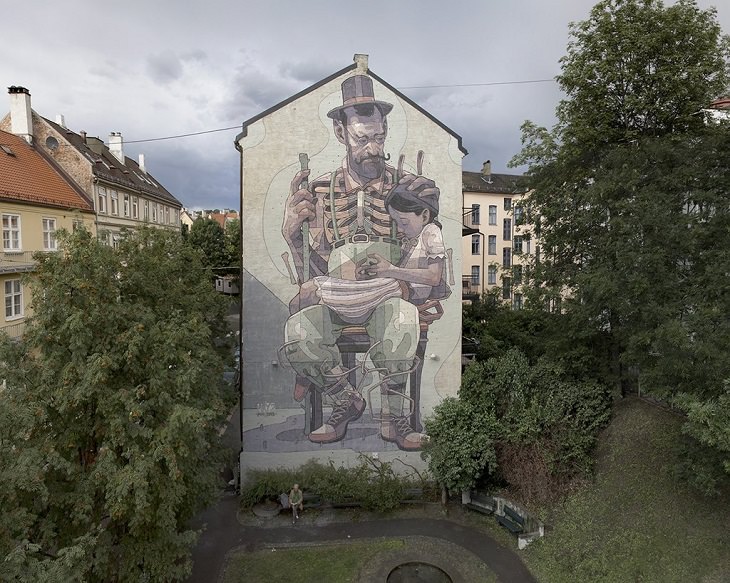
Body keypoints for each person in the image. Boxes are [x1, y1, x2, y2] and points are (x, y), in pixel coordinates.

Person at [281, 75, 440, 450]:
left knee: (402, 320)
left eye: (379, 138)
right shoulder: (320, 190)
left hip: (385, 298)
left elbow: (423, 248)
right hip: (337, 298)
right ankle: (345, 401)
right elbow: (315, 268)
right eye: (362, 139)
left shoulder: (405, 189)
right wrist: (292, 235)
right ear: (340, 132)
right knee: (298, 331)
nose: (373, 149)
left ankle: (394, 420)